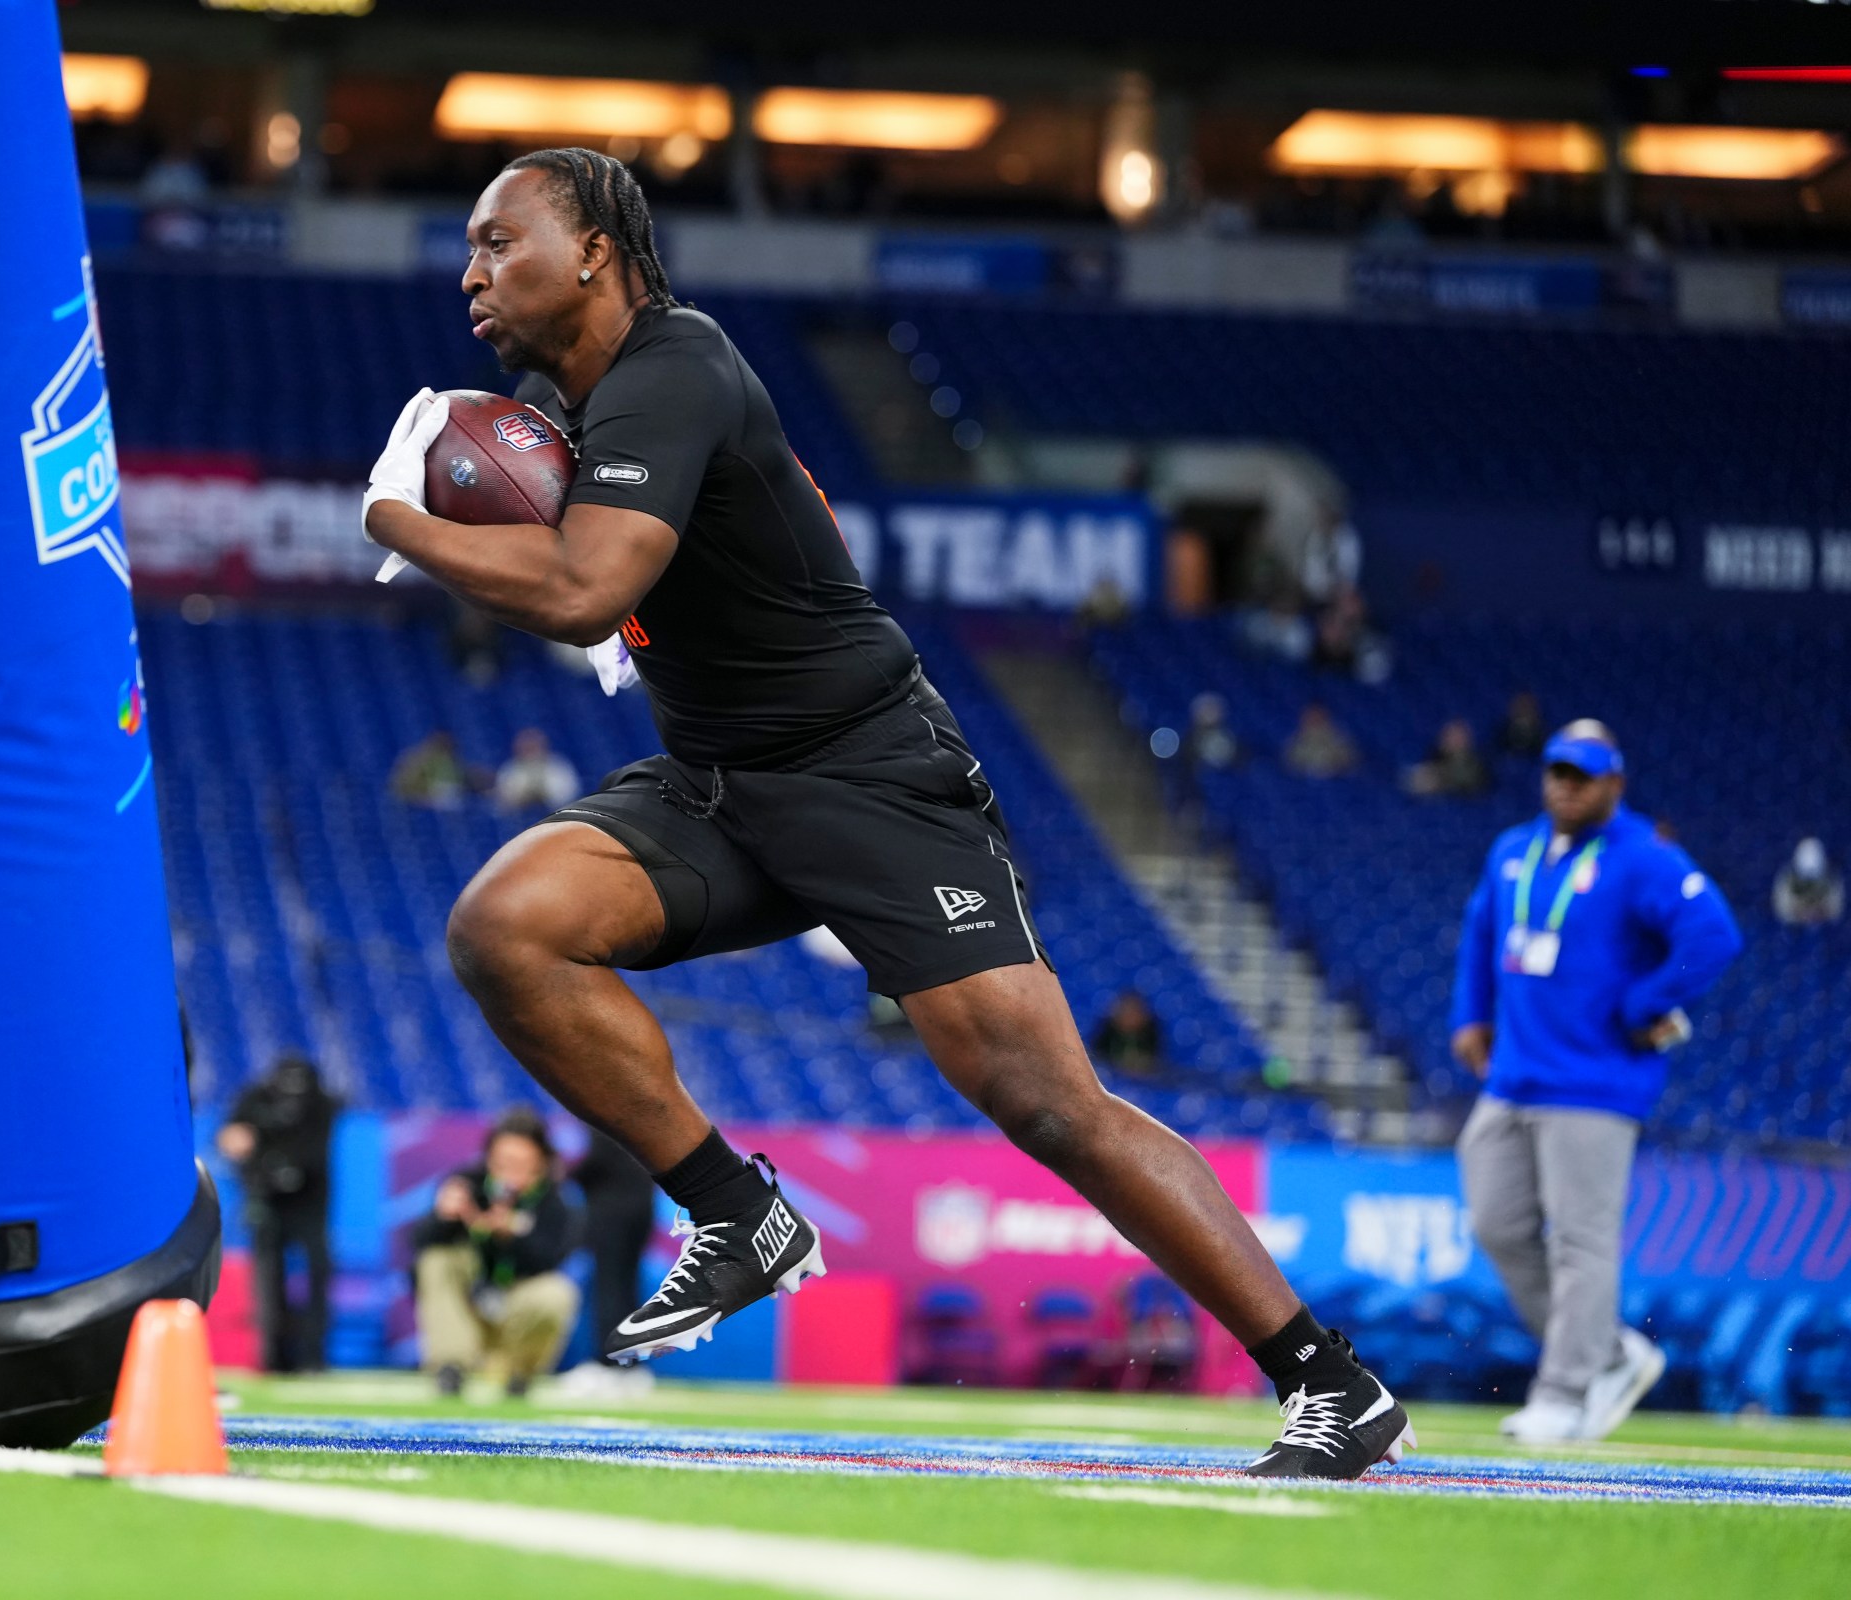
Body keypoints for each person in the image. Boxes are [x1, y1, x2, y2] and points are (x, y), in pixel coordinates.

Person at [359, 146, 1408, 1477]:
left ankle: (1330, 1381)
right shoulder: (575, 405)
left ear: (596, 256)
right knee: (507, 924)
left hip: (864, 772)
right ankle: (741, 1214)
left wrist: (395, 513)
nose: (472, 270)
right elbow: (619, 568)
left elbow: (577, 589)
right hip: (722, 784)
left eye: (498, 241)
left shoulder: (673, 366)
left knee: (1043, 1098)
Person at [1450, 721, 1742, 1446]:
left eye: (1581, 776)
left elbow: (1714, 933)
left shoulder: (1643, 856)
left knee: (1582, 1241)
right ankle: (1608, 1355)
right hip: (1513, 1076)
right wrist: (1470, 1016)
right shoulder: (1512, 849)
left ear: (1615, 783)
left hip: (1593, 1083)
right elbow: (1480, 936)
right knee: (1495, 1221)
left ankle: (1564, 1391)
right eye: (1556, 772)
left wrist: (1645, 1004)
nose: (1564, 786)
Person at [412, 1108, 578, 1399]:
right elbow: (419, 1245)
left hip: (514, 1312)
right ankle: (451, 1366)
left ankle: (520, 1372)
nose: (509, 1173)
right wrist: (444, 1217)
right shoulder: (466, 1183)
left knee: (558, 1293)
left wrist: (510, 1235)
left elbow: (549, 1260)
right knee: (437, 1260)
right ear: (489, 1158)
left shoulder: (555, 1202)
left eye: (521, 1164)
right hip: (470, 1308)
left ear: (540, 1163)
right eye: (503, 1162)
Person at [215, 1055, 339, 1374]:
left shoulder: (322, 1105)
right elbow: (228, 1137)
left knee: (318, 1268)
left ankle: (313, 1355)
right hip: (267, 1197)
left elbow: (313, 1153)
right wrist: (234, 1140)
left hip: (310, 1199)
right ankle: (273, 1356)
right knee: (268, 1275)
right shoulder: (254, 1100)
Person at [554, 1126, 660, 1396]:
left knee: (609, 1287)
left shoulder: (605, 1106)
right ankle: (629, 1364)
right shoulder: (639, 1107)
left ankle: (608, 1363)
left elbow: (600, 1160)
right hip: (641, 1206)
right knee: (626, 1287)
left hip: (613, 1212)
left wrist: (562, 1174)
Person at [494, 727, 581, 815]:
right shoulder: (510, 768)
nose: (531, 752)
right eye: (527, 748)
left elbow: (567, 793)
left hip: (554, 815)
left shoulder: (558, 765)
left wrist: (543, 793)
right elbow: (504, 798)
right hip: (521, 816)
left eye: (533, 747)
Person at [1402, 718, 1491, 800]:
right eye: (1448, 735)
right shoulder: (1434, 756)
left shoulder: (1477, 762)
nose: (1450, 739)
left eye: (1457, 736)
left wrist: (1440, 778)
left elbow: (1472, 785)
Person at [1090, 991, 1166, 1081]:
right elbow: (1098, 1059)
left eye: (1134, 1012)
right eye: (1126, 1012)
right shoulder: (1106, 1034)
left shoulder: (1151, 1033)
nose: (1130, 1017)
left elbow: (1156, 1060)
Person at [389, 730, 472, 810]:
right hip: (419, 802)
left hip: (447, 801)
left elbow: (460, 783)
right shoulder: (416, 759)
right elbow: (401, 788)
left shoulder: (451, 760)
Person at [1772, 837, 1844, 927]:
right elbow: (1782, 909)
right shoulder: (1786, 879)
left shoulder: (1832, 879)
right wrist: (1800, 912)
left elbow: (1835, 909)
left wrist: (1818, 912)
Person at [1282, 702, 1358, 779]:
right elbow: (1291, 764)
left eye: (1318, 717)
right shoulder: (1297, 741)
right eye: (1310, 717)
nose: (1314, 720)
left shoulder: (1338, 738)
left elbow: (1350, 760)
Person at [1497, 690, 1548, 762]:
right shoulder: (1502, 734)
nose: (1524, 710)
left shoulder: (1542, 736)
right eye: (1521, 706)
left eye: (1527, 706)